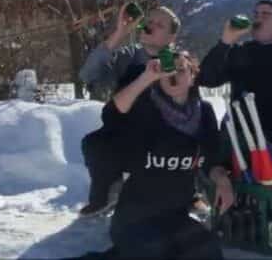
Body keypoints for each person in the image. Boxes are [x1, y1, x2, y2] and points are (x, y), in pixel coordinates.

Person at [100, 51, 235, 259]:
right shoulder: (146, 106)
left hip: (175, 216)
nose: (174, 75)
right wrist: (146, 77)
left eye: (181, 70)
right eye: (168, 71)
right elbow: (111, 114)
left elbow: (212, 157)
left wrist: (222, 180)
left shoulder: (204, 112)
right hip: (134, 217)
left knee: (210, 252)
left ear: (192, 77)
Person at [78, 4, 181, 217]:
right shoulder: (127, 56)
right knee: (94, 142)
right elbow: (88, 75)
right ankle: (105, 194)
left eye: (159, 25)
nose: (150, 26)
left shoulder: (178, 61)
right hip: (127, 136)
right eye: (149, 21)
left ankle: (190, 193)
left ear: (171, 37)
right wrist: (120, 33)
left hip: (165, 139)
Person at [197, 0, 272, 150]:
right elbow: (206, 80)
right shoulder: (237, 52)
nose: (258, 18)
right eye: (256, 14)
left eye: (266, 15)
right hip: (238, 138)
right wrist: (225, 42)